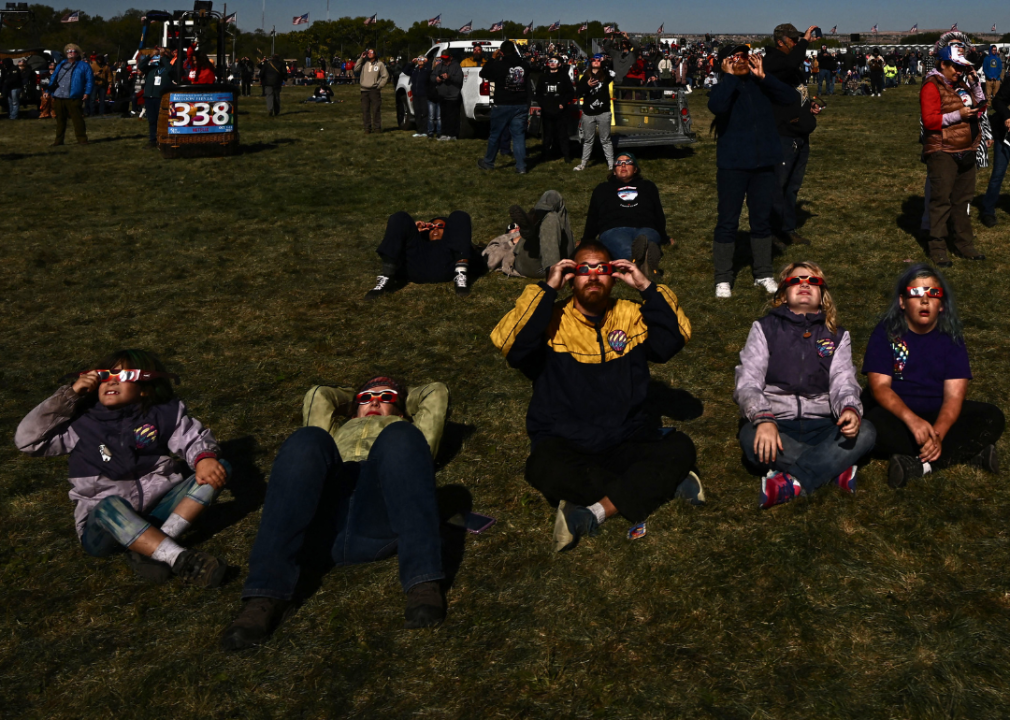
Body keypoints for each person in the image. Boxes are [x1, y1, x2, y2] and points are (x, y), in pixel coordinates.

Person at [491, 242, 701, 552]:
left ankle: (594, 511)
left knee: (681, 447)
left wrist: (645, 285)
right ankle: (661, 484)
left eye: (601, 269)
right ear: (570, 277)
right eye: (582, 270)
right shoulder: (550, 318)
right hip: (567, 439)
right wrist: (548, 288)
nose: (592, 276)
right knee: (542, 468)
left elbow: (674, 337)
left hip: (625, 437)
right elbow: (511, 345)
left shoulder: (630, 316)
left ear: (615, 276)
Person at [219, 376, 452, 649]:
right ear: (353, 409)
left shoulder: (407, 429)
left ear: (402, 410)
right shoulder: (333, 434)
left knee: (401, 435)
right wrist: (357, 395)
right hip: (325, 519)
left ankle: (423, 584)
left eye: (386, 398)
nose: (375, 400)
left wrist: (400, 395)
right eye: (366, 398)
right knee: (307, 438)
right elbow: (319, 395)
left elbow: (436, 393)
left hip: (379, 513)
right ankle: (262, 598)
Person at [15, 350, 230, 587]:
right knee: (109, 505)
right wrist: (70, 395)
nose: (112, 381)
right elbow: (28, 441)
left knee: (216, 470)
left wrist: (203, 459)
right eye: (104, 376)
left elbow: (190, 438)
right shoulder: (80, 423)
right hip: (105, 529)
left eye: (124, 375)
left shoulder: (162, 414)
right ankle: (178, 558)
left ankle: (153, 546)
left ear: (145, 387)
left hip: (156, 512)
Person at [734, 262, 875, 509]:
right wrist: (764, 418)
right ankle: (834, 468)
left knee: (866, 432)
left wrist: (850, 409)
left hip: (825, 424)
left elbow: (844, 382)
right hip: (778, 424)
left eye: (813, 282)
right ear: (783, 293)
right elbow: (748, 382)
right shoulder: (764, 328)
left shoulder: (837, 335)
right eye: (795, 281)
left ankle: (790, 481)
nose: (804, 285)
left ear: (822, 296)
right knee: (749, 436)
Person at [861, 265, 1005, 488]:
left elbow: (954, 397)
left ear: (942, 305)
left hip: (937, 413)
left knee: (992, 417)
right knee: (871, 426)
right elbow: (879, 387)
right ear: (902, 302)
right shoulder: (886, 332)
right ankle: (969, 451)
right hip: (898, 414)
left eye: (933, 294)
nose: (925, 300)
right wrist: (912, 421)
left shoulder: (951, 337)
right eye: (916, 293)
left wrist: (938, 433)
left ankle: (921, 465)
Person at [708, 45, 798, 298]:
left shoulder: (761, 84)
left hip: (764, 163)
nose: (741, 62)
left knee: (761, 220)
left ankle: (763, 273)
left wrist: (764, 76)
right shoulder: (723, 86)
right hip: (733, 164)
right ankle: (723, 278)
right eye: (735, 58)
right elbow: (717, 107)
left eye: (744, 57)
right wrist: (729, 78)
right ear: (725, 62)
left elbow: (791, 98)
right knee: (728, 220)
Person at [919, 44, 986, 266]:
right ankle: (937, 247)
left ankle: (964, 245)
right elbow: (930, 121)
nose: (959, 71)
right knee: (941, 200)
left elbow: (982, 107)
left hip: (965, 149)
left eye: (962, 67)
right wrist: (958, 115)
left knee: (963, 201)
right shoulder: (932, 86)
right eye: (956, 66)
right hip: (943, 149)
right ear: (943, 64)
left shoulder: (960, 84)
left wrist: (974, 82)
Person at [764, 23, 821, 247]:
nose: (797, 43)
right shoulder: (773, 60)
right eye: (794, 40)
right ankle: (772, 231)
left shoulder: (788, 62)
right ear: (781, 41)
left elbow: (796, 89)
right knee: (778, 185)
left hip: (799, 132)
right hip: (783, 133)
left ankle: (787, 228)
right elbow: (790, 62)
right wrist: (805, 42)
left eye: (798, 40)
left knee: (792, 186)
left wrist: (809, 107)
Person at [581, 152, 669, 275]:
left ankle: (638, 265)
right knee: (625, 248)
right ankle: (646, 267)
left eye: (628, 162)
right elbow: (593, 216)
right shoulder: (602, 189)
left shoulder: (648, 186)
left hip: (645, 226)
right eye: (618, 163)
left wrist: (664, 237)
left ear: (635, 169)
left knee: (647, 242)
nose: (623, 165)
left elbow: (658, 213)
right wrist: (587, 240)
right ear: (614, 171)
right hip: (614, 229)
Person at [365, 211, 474, 298]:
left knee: (459, 215)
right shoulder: (421, 245)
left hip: (447, 266)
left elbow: (465, 245)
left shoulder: (451, 243)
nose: (435, 228)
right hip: (416, 267)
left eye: (440, 225)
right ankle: (387, 277)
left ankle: (461, 276)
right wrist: (412, 232)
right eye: (431, 226)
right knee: (401, 217)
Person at [488, 190, 575, 278]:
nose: (518, 227)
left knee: (553, 195)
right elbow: (489, 260)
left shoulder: (547, 227)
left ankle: (535, 219)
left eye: (519, 225)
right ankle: (552, 271)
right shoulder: (504, 238)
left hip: (563, 257)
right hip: (532, 263)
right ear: (508, 231)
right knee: (551, 217)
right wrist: (513, 241)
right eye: (513, 226)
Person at [478, 40, 532, 175]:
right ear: (514, 50)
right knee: (519, 136)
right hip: (520, 103)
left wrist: (492, 58)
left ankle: (489, 162)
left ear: (501, 52)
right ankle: (521, 167)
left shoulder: (498, 65)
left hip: (502, 103)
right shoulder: (524, 65)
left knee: (495, 135)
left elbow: (483, 73)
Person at [573, 54, 615, 171]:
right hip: (588, 113)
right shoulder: (585, 76)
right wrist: (587, 86)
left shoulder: (605, 75)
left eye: (598, 60)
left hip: (603, 112)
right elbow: (578, 92)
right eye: (594, 60)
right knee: (588, 140)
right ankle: (583, 164)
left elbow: (614, 73)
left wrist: (605, 62)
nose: (596, 62)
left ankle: (611, 164)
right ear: (590, 62)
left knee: (605, 140)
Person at [48, 44, 94, 146]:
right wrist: (49, 90)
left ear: (77, 53)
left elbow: (89, 80)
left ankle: (82, 139)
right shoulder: (61, 64)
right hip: (59, 95)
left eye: (73, 51)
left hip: (74, 96)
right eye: (68, 51)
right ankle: (58, 141)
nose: (70, 53)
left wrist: (87, 93)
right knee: (60, 120)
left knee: (77, 119)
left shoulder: (84, 65)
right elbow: (54, 77)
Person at [979, 78, 1010, 227]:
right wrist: (1007, 116)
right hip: (1005, 136)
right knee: (998, 174)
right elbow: (998, 101)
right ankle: (988, 210)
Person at [535, 55, 575, 163]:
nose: (552, 63)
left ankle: (566, 156)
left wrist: (563, 103)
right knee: (547, 135)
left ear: (559, 64)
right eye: (550, 61)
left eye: (555, 61)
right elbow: (538, 93)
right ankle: (545, 155)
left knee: (562, 134)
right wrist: (543, 105)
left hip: (560, 111)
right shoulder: (543, 76)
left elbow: (570, 92)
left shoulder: (563, 76)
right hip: (547, 111)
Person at [138, 47, 175, 148]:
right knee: (152, 120)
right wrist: (150, 56)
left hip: (161, 97)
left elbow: (172, 71)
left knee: (162, 119)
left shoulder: (169, 67)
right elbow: (141, 66)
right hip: (149, 96)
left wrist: (164, 56)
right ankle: (153, 140)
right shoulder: (152, 68)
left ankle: (163, 138)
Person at [355, 48, 388, 134]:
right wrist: (361, 58)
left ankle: (377, 128)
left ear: (375, 54)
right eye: (368, 52)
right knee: (365, 110)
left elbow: (385, 76)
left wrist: (379, 86)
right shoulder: (364, 63)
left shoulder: (380, 64)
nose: (369, 53)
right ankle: (367, 128)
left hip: (374, 90)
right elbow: (356, 69)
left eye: (371, 52)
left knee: (376, 110)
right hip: (364, 90)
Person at [432, 50, 463, 141]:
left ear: (450, 57)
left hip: (453, 95)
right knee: (443, 115)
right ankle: (444, 133)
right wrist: (437, 78)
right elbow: (432, 76)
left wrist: (449, 77)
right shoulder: (439, 66)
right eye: (443, 59)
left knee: (453, 116)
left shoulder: (456, 66)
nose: (444, 60)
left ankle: (453, 134)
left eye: (446, 58)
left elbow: (459, 79)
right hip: (442, 95)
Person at [409, 56, 430, 138]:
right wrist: (411, 62)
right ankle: (419, 130)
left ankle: (425, 130)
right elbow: (405, 70)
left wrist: (427, 62)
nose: (420, 61)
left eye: (422, 59)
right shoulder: (415, 70)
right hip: (416, 95)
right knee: (417, 113)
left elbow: (430, 71)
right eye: (419, 59)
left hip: (424, 95)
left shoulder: (426, 69)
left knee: (424, 113)